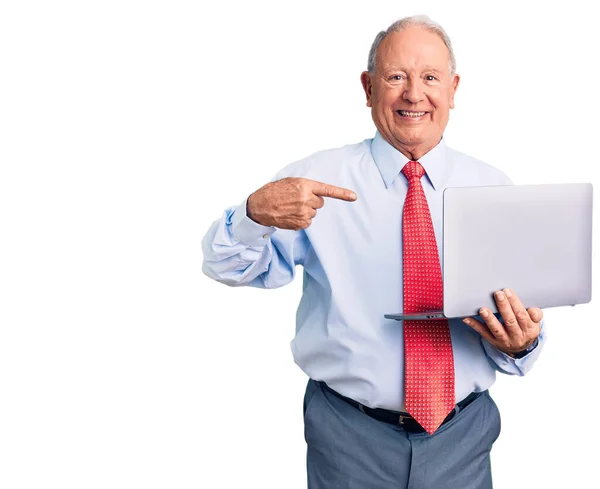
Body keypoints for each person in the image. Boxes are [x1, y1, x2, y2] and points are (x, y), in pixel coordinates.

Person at [201, 14, 545, 489]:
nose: (413, 94)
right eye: (396, 76)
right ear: (368, 87)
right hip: (348, 438)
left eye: (430, 77)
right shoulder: (314, 182)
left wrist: (523, 344)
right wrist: (253, 214)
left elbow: (518, 329)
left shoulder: (495, 189)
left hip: (463, 438)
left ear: (453, 88)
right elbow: (226, 264)